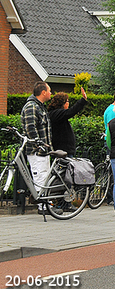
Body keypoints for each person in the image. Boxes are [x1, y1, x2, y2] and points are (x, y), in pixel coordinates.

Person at [20, 81, 53, 215]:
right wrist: (39, 144)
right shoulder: (32, 107)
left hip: (42, 150)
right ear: (43, 92)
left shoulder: (39, 106)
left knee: (44, 177)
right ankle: (43, 207)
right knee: (40, 177)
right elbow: (30, 128)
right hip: (37, 151)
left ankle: (46, 204)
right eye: (49, 90)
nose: (51, 93)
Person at [48, 87, 89, 158]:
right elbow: (71, 111)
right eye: (67, 101)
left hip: (64, 151)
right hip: (63, 151)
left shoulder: (57, 114)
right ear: (62, 103)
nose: (68, 104)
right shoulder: (56, 114)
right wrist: (83, 100)